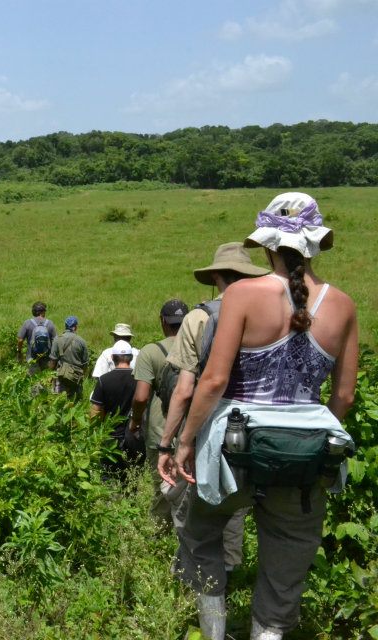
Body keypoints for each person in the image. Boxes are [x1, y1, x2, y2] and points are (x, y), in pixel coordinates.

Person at [161, 193, 359, 640]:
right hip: (305, 456)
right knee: (288, 558)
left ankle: (213, 633)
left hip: (234, 447)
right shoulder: (343, 305)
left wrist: (185, 442)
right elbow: (344, 395)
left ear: (267, 244)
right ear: (313, 243)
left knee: (202, 536)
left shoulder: (244, 295)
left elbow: (213, 382)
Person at [157, 243, 269, 578]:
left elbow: (184, 389)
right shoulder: (269, 314)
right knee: (234, 504)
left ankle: (196, 579)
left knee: (191, 506)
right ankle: (231, 569)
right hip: (253, 429)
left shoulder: (198, 318)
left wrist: (171, 443)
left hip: (205, 428)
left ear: (216, 277)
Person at [128, 298, 188, 522]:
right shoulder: (199, 347)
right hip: (190, 431)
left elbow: (141, 396)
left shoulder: (151, 351)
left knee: (162, 490)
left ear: (163, 321)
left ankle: (160, 539)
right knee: (189, 490)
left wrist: (134, 423)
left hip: (159, 431)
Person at [90, 340, 141, 477]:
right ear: (131, 358)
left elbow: (95, 411)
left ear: (113, 358)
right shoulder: (139, 380)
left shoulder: (104, 380)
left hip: (110, 435)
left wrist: (97, 429)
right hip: (134, 434)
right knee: (132, 474)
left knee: (108, 474)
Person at [48, 315, 89, 399]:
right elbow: (85, 364)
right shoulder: (81, 341)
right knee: (75, 402)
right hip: (76, 377)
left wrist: (49, 376)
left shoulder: (57, 339)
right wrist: (82, 376)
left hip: (61, 376)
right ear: (75, 327)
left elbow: (53, 361)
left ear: (65, 326)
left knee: (59, 401)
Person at [16, 301, 57, 376]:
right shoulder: (50, 323)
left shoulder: (27, 323)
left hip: (32, 358)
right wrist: (54, 358)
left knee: (34, 382)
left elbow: (20, 340)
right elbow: (55, 341)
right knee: (46, 381)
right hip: (46, 358)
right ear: (43, 312)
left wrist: (19, 352)